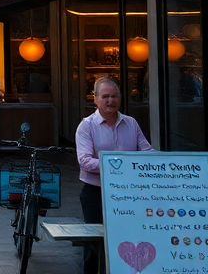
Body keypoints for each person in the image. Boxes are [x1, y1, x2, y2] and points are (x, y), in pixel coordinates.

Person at [76, 77, 154, 274]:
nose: (110, 100)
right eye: (105, 96)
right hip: (96, 192)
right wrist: (119, 167)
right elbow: (85, 161)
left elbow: (146, 150)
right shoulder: (86, 126)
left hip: (129, 194)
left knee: (130, 238)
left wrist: (166, 161)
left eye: (114, 96)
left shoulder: (131, 123)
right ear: (95, 100)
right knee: (95, 243)